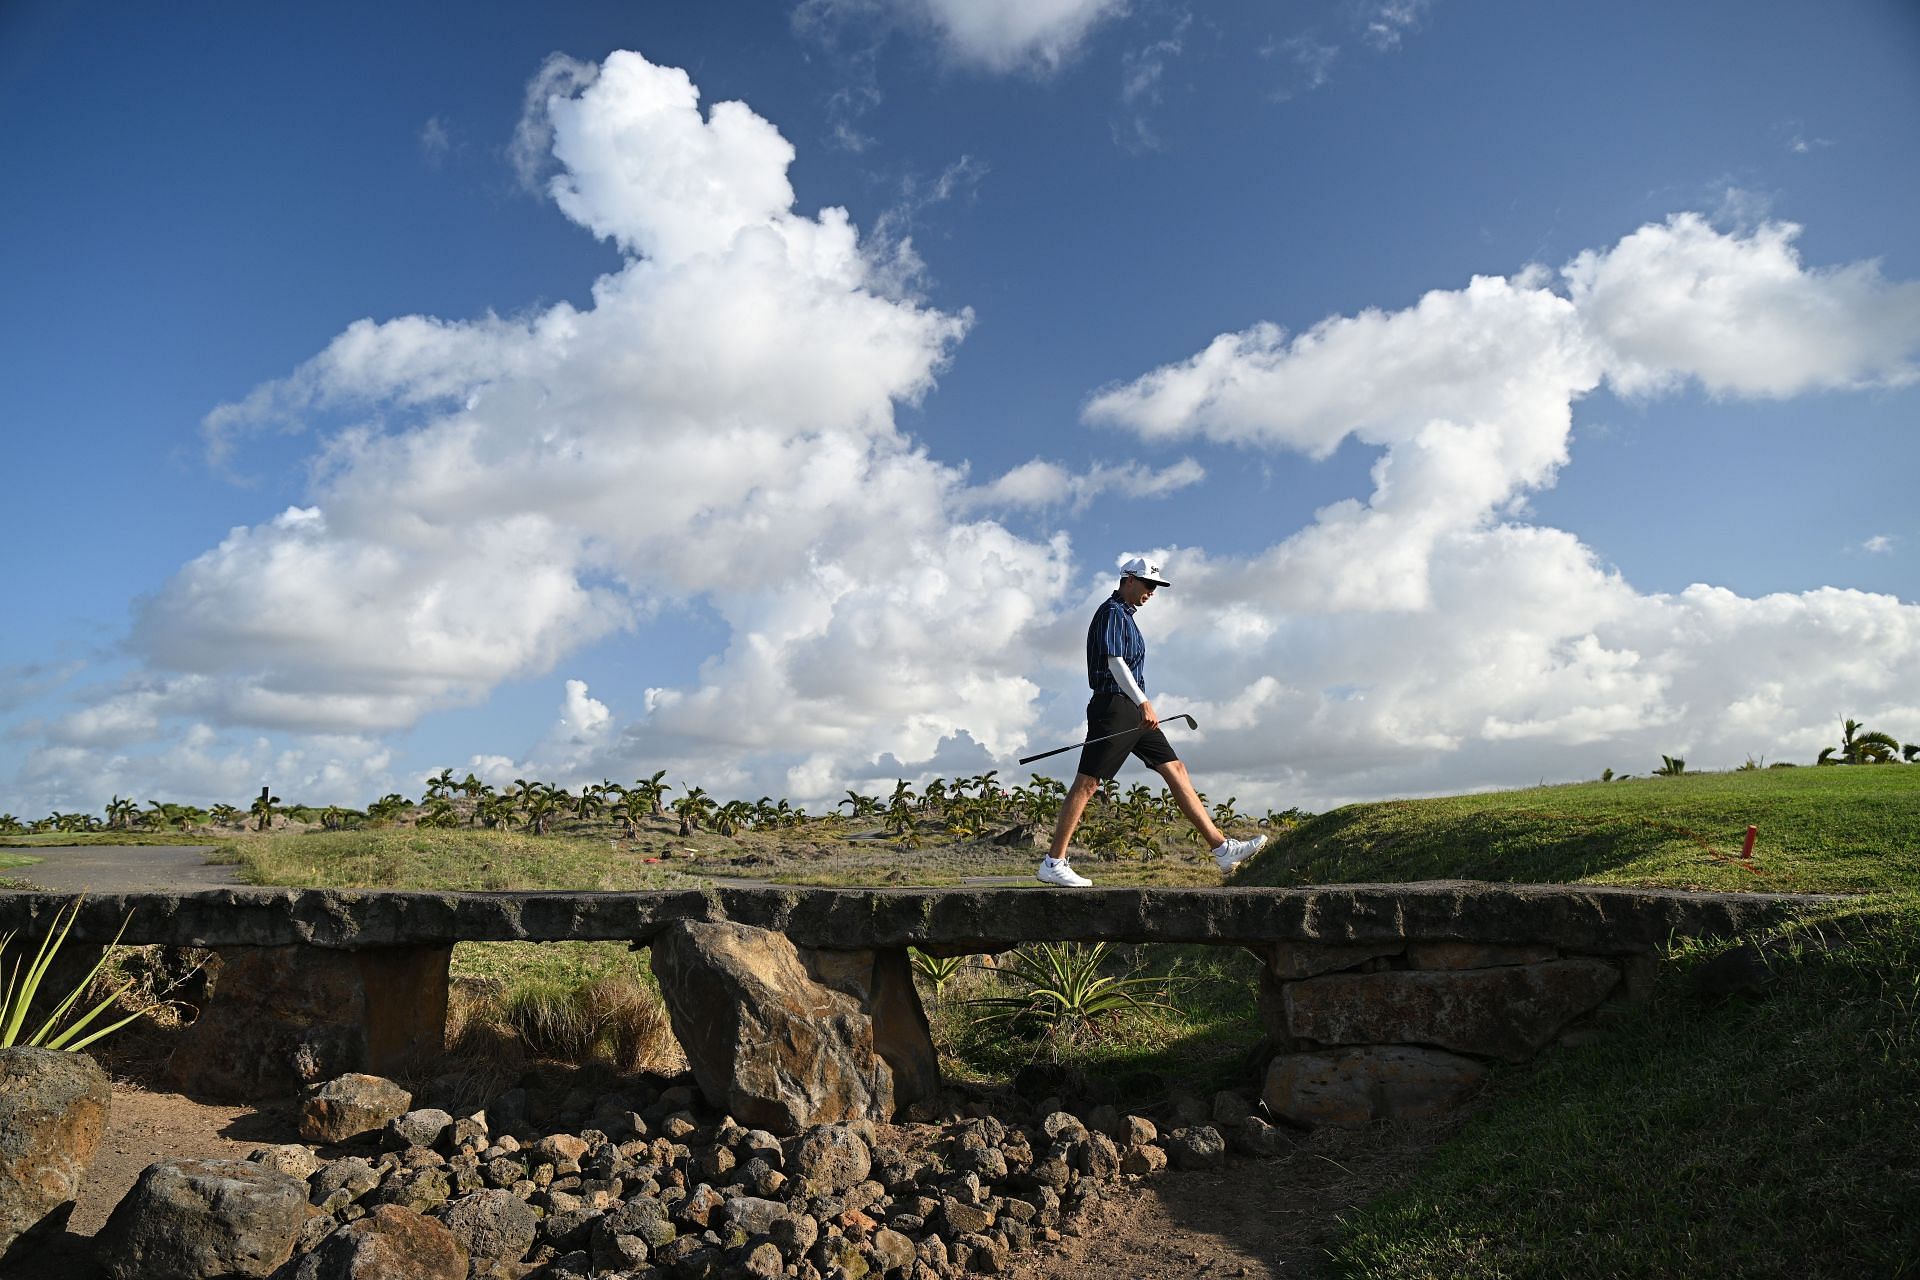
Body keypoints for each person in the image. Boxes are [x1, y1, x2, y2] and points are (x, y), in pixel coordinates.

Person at [1037, 557, 1265, 887]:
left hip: (1133, 708)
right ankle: (1053, 862)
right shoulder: (1112, 613)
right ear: (1128, 580)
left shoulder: (1127, 618)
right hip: (1114, 707)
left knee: (1176, 768)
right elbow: (1115, 663)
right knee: (1088, 783)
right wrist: (1143, 702)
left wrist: (1141, 703)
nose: (1152, 592)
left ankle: (1222, 849)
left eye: (1155, 587)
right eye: (1148, 584)